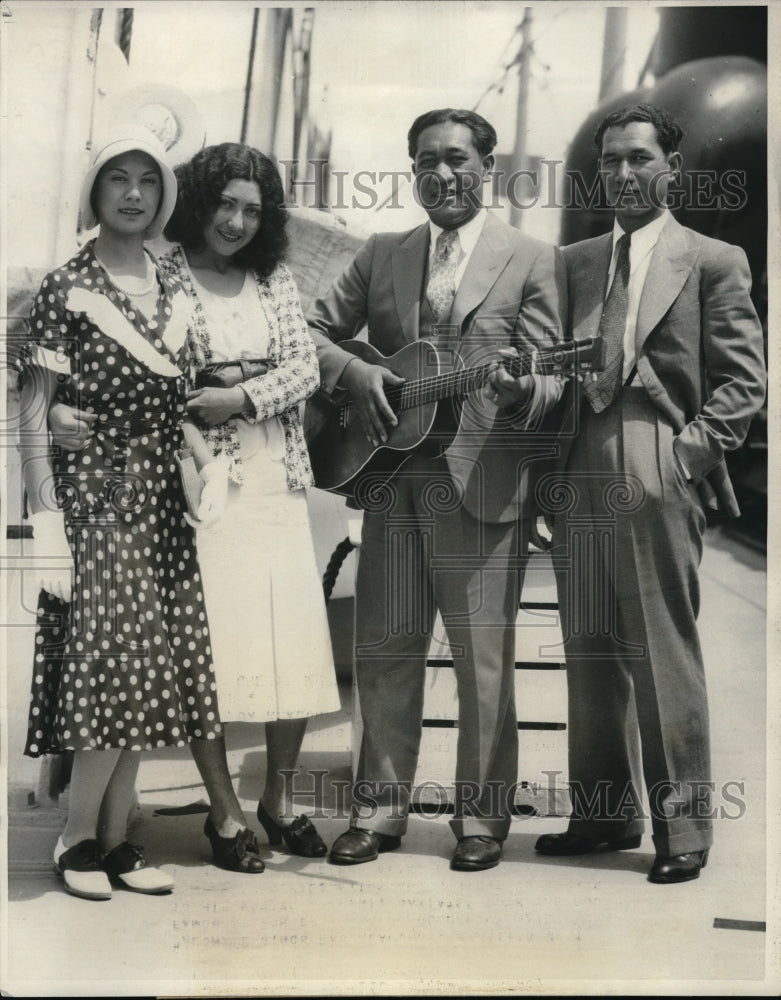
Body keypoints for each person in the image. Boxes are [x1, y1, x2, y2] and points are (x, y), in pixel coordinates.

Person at [50, 142, 341, 859]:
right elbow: (153, 376)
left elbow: (303, 367)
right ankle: (225, 811)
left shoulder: (272, 277)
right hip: (202, 481)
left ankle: (278, 798)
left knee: (292, 643)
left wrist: (238, 393)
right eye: (224, 204)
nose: (236, 222)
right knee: (209, 649)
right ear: (198, 201)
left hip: (277, 472)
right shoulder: (166, 271)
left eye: (252, 209)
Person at [307, 108, 567, 871]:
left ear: (487, 167)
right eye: (425, 160)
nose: (441, 173)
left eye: (456, 159)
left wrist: (524, 390)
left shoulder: (531, 258)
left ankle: (481, 822)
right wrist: (358, 374)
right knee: (385, 648)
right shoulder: (382, 253)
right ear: (411, 168)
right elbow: (309, 331)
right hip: (389, 477)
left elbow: (554, 378)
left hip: (483, 483)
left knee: (482, 659)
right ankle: (377, 813)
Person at [533, 104, 766, 883]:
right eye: (610, 161)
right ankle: (601, 815)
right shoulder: (570, 263)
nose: (623, 174)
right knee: (589, 651)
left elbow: (743, 384)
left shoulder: (711, 260)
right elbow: (552, 376)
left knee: (662, 649)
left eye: (639, 158)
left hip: (654, 454)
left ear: (671, 168)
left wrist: (682, 459)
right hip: (576, 464)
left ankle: (684, 831)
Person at [17, 124, 240, 899]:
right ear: (95, 190)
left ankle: (116, 839)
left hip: (158, 498)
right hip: (95, 493)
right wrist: (43, 520)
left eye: (148, 180)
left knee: (159, 662)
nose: (134, 194)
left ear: (164, 195)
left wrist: (210, 471)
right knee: (114, 656)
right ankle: (76, 837)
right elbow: (34, 411)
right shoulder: (64, 287)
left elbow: (181, 404)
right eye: (119, 178)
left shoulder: (174, 286)